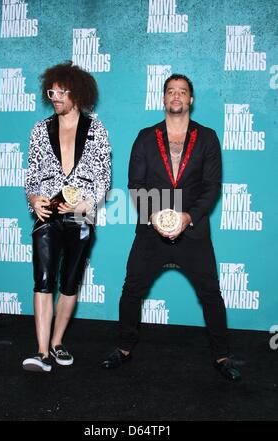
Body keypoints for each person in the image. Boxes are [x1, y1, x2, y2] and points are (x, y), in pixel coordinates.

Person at [102, 74, 243, 381]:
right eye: (171, 91)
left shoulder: (207, 137)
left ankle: (221, 355)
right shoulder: (144, 136)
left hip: (193, 231)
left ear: (191, 99)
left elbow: (211, 187)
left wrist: (187, 217)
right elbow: (135, 184)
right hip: (150, 231)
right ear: (163, 99)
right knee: (131, 289)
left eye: (182, 92)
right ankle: (124, 347)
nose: (176, 96)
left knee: (210, 293)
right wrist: (154, 216)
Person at [23, 61, 111, 372]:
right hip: (47, 216)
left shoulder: (96, 130)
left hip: (80, 218)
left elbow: (103, 177)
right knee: (43, 282)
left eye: (61, 92)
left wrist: (86, 205)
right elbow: (32, 176)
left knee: (70, 284)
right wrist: (34, 198)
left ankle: (57, 342)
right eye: (52, 92)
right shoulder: (40, 129)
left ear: (78, 94)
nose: (55, 97)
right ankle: (42, 352)